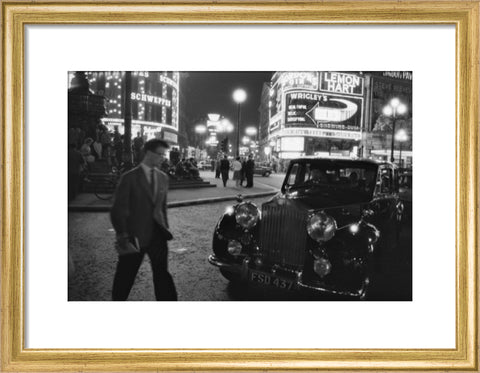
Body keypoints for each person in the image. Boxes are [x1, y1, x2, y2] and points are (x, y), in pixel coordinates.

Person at [110, 139, 177, 301]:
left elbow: (162, 206)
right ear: (148, 153)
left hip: (158, 235)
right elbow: (118, 209)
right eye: (160, 154)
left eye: (164, 155)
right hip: (135, 236)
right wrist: (122, 235)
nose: (163, 158)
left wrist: (164, 227)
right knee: (126, 275)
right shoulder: (129, 177)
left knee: (162, 273)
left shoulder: (163, 177)